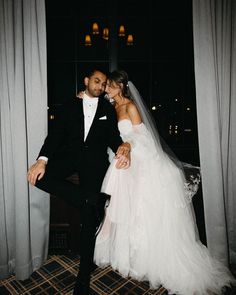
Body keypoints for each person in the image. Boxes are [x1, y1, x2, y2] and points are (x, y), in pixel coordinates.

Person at [93, 70, 236, 295]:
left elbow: (144, 137)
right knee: (119, 207)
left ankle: (146, 258)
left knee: (141, 210)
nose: (106, 89)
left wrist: (129, 145)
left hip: (141, 161)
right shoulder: (110, 106)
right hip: (122, 161)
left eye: (109, 85)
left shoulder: (130, 106)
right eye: (106, 86)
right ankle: (126, 255)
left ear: (120, 86)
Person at [27, 69, 131, 295]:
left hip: (94, 163)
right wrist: (42, 160)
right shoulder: (69, 106)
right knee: (38, 178)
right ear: (86, 81)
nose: (101, 86)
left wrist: (122, 148)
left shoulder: (107, 109)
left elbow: (114, 136)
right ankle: (89, 200)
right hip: (69, 157)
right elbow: (54, 136)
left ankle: (83, 277)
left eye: (104, 84)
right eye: (96, 81)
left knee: (88, 218)